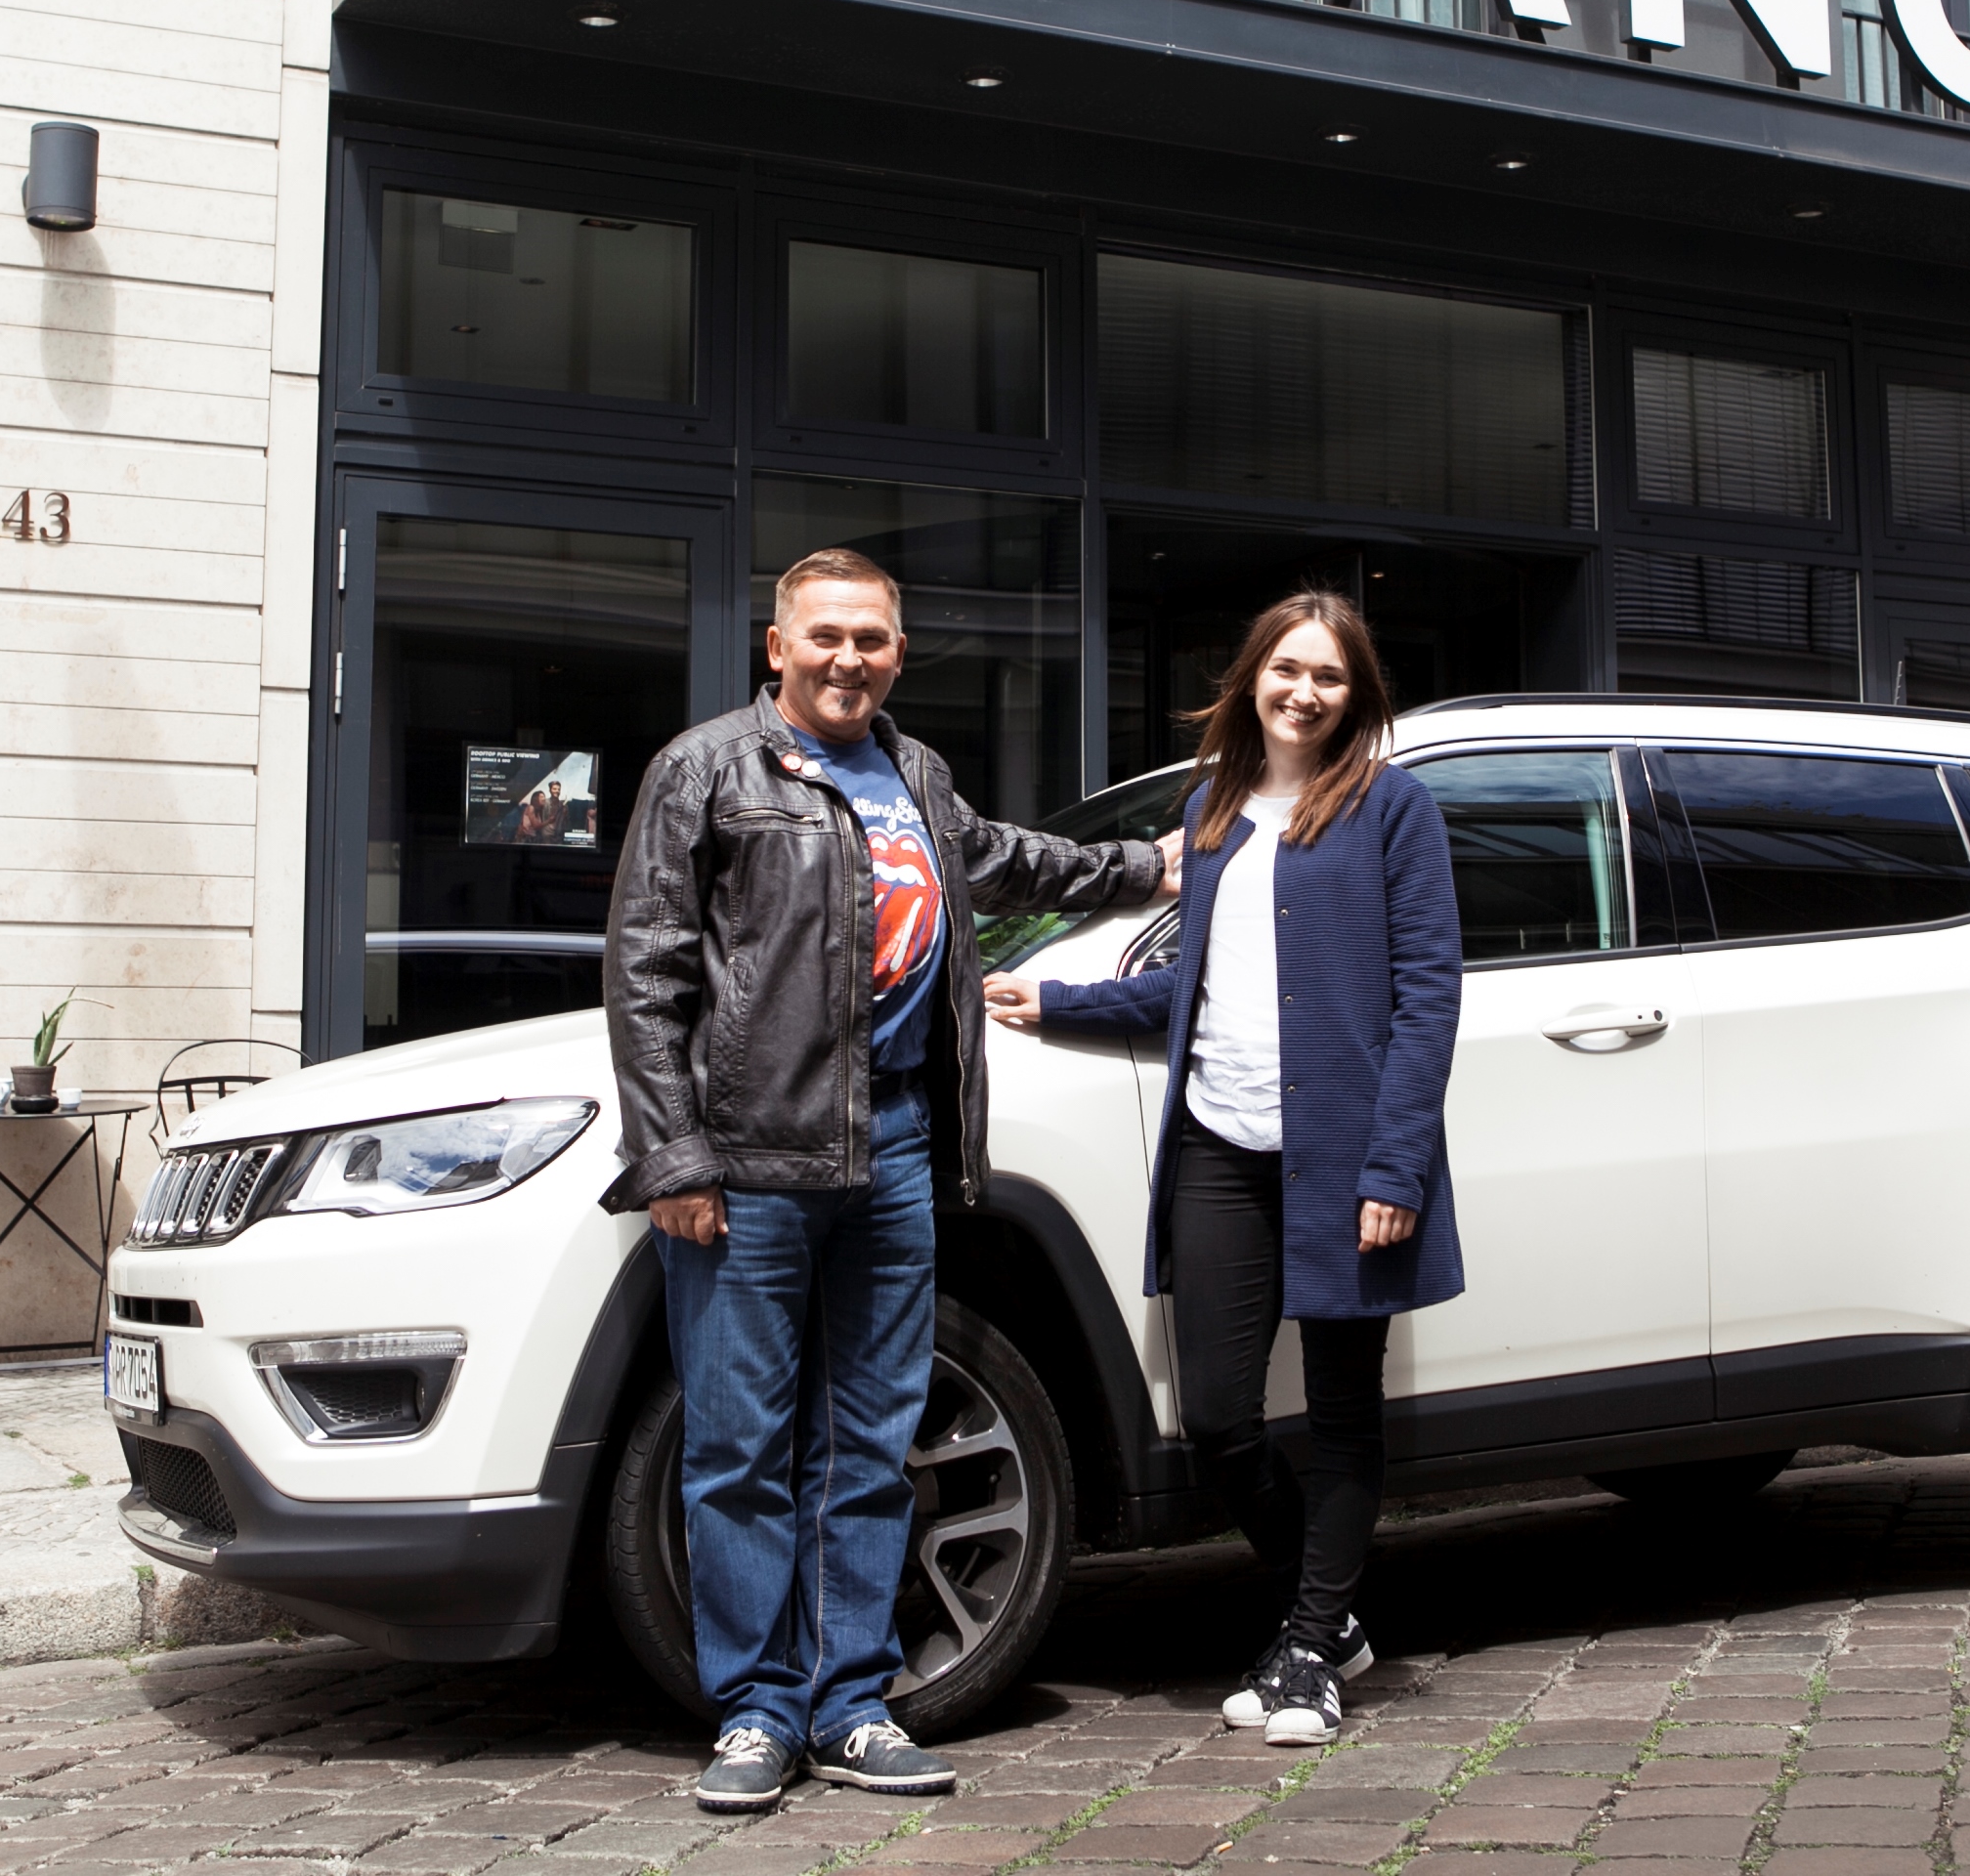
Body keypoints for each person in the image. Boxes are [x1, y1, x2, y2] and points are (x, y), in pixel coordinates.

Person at [602, 548, 1178, 1812]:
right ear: (776, 645)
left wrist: (1151, 867)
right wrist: (675, 1155)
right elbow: (644, 973)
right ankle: (755, 1709)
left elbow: (1015, 861)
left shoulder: (915, 774)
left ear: (898, 654)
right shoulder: (705, 769)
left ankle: (852, 1700)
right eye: (825, 636)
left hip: (896, 1155)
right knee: (739, 1447)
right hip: (747, 1164)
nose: (847, 657)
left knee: (870, 1441)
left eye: (870, 638)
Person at [984, 591, 1462, 1748]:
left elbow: (1427, 996)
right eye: (1285, 669)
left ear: (1358, 696)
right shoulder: (1209, 812)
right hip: (1218, 1147)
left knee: (1345, 1412)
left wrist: (1393, 1171)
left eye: (1329, 677)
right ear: (1250, 676)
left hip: (1345, 1155)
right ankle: (1330, 1610)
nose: (1303, 691)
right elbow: (1190, 988)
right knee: (1214, 1415)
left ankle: (1306, 1649)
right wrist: (1060, 999)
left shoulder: (1390, 810)